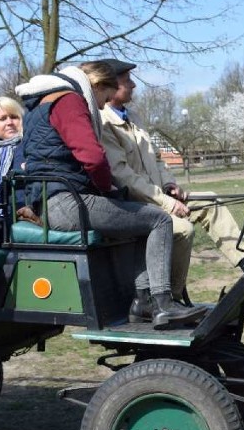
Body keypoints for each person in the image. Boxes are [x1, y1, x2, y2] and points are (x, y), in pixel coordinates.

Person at [15, 61, 200, 326]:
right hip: (68, 202)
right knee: (159, 220)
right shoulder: (69, 101)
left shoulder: (38, 105)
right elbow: (93, 158)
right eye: (104, 97)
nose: (102, 105)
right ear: (97, 86)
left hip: (52, 199)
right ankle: (163, 303)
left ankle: (143, 303)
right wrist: (105, 189)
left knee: (140, 219)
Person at [97, 58, 244, 302]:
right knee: (182, 229)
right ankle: (169, 299)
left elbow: (156, 159)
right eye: (127, 81)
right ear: (111, 87)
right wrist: (166, 203)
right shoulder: (104, 123)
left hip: (158, 197)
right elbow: (124, 176)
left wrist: (170, 185)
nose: (134, 85)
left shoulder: (134, 117)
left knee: (211, 202)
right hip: (136, 206)